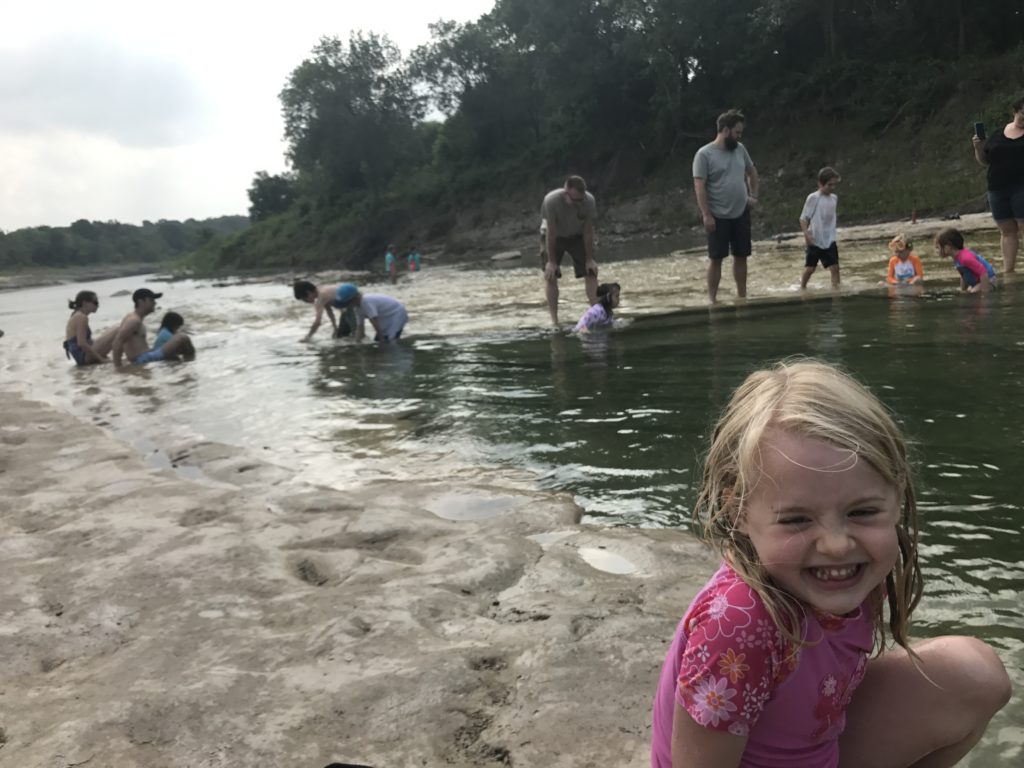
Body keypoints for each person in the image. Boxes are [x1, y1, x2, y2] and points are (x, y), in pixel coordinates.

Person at [650, 359, 1010, 767]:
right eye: (797, 519)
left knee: (974, 673)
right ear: (738, 512)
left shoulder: (856, 572)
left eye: (862, 512)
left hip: (819, 747)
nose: (837, 546)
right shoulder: (738, 623)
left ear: (896, 497)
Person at [693, 109, 760, 304]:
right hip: (717, 215)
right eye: (737, 132)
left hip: (741, 212)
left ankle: (742, 297)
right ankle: (712, 301)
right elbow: (699, 186)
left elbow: (752, 172)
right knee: (716, 259)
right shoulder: (704, 154)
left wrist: (753, 196)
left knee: (742, 256)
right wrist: (706, 215)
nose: (739, 137)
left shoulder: (740, 149)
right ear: (725, 130)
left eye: (741, 133)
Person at [972, 95, 1024, 273]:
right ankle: (1008, 271)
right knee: (1007, 230)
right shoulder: (998, 133)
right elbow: (985, 161)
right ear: (1015, 111)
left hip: (1021, 187)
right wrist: (978, 147)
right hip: (997, 188)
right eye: (1023, 113)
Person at [540, 175, 599, 326]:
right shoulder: (551, 201)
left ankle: (598, 314)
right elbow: (551, 233)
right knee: (550, 275)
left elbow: (588, 231)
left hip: (577, 235)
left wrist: (589, 259)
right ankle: (555, 321)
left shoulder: (589, 201)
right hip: (554, 236)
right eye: (575, 200)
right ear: (565, 193)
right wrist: (552, 262)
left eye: (581, 199)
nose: (579, 203)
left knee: (591, 272)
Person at [111, 288, 195, 366]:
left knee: (175, 355)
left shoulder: (132, 318)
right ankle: (191, 363)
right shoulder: (134, 320)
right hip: (143, 358)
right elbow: (117, 341)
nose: (155, 303)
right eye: (151, 300)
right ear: (141, 301)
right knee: (182, 337)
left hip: (145, 356)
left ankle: (185, 366)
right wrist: (118, 367)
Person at [799, 167, 842, 290]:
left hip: (830, 239)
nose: (832, 187)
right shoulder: (813, 198)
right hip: (815, 239)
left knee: (835, 267)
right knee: (810, 268)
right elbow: (803, 218)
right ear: (820, 184)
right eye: (829, 185)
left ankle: (836, 290)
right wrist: (807, 235)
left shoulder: (834, 198)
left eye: (834, 184)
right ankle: (802, 287)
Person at [329, 282, 407, 343]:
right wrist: (357, 342)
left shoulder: (366, 301)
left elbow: (374, 321)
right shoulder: (357, 308)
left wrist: (382, 342)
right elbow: (360, 327)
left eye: (346, 304)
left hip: (397, 314)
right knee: (378, 341)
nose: (346, 307)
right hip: (385, 316)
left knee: (390, 340)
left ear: (353, 299)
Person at [935, 228, 996, 294]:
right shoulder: (957, 258)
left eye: (938, 247)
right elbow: (964, 275)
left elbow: (983, 272)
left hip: (988, 279)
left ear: (948, 246)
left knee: (973, 294)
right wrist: (963, 290)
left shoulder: (965, 258)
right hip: (979, 281)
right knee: (967, 293)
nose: (937, 251)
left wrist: (984, 294)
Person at [63, 290, 109, 365]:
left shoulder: (76, 314)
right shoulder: (81, 317)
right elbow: (82, 343)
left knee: (110, 332)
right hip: (83, 356)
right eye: (95, 302)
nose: (97, 305)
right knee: (117, 330)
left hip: (80, 356)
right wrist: (101, 359)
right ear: (84, 303)